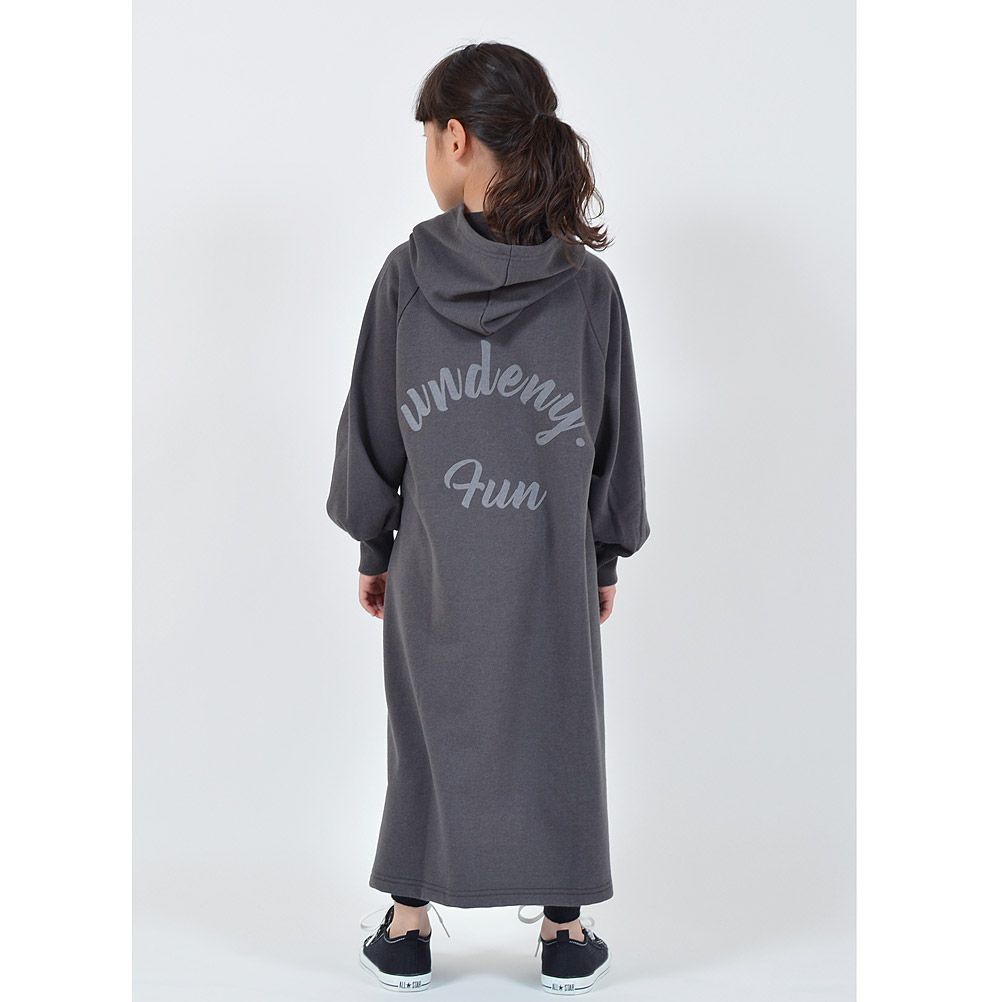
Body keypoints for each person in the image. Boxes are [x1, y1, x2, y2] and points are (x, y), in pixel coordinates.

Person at [328, 41, 651, 994]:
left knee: (429, 727)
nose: (428, 157)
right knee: (558, 724)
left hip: (434, 562)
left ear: (456, 138)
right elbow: (615, 436)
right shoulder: (587, 289)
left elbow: (373, 423)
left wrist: (373, 542)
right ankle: (563, 930)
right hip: (551, 566)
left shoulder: (406, 275)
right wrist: (604, 555)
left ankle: (407, 925)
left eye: (428, 138)